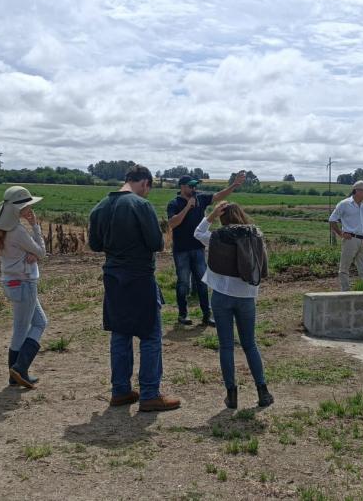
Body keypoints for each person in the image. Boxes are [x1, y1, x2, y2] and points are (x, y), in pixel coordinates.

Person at [89, 165, 180, 411]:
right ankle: (150, 393)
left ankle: (120, 391)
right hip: (139, 276)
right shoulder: (140, 205)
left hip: (112, 276)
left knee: (120, 332)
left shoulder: (100, 207)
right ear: (145, 183)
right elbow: (156, 243)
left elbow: (95, 245)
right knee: (150, 335)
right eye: (148, 189)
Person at [194, 201, 273, 409]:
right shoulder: (255, 235)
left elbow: (198, 233)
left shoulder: (218, 236)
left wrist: (211, 215)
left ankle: (232, 394)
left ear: (223, 217)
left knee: (226, 346)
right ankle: (263, 391)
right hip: (247, 296)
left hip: (221, 295)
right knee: (250, 344)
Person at [166, 171, 247, 326]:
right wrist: (187, 207)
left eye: (196, 186)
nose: (194, 189)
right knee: (183, 283)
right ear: (182, 187)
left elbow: (218, 196)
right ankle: (183, 315)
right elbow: (172, 224)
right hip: (181, 250)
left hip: (198, 248)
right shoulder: (174, 204)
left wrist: (234, 185)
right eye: (191, 186)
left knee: (203, 282)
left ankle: (206, 315)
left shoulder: (200, 198)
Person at [0, 186, 47, 388]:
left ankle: (16, 373)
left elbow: (31, 253)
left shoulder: (3, 228)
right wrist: (36, 227)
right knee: (22, 329)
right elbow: (41, 252)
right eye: (27, 206)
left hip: (14, 282)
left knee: (40, 322)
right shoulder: (18, 231)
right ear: (18, 210)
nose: (30, 210)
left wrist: (29, 254)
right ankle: (19, 369)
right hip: (24, 283)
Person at [329, 180, 363, 291]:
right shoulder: (344, 204)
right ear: (357, 191)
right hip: (351, 239)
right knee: (344, 267)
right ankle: (345, 291)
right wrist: (341, 234)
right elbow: (332, 220)